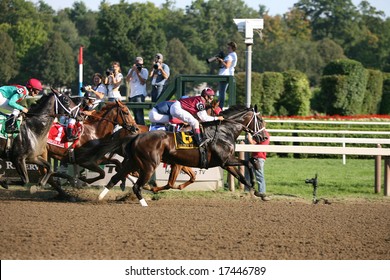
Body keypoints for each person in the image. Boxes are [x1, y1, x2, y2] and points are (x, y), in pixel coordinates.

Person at [247, 128, 271, 201]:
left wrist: (248, 135)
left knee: (259, 175)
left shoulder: (263, 134)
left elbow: (252, 142)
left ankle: (262, 192)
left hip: (258, 157)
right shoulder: (265, 134)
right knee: (256, 175)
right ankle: (259, 192)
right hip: (258, 157)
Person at [126, 57, 148, 125]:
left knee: (139, 114)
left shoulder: (144, 71)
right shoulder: (131, 70)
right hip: (132, 94)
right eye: (138, 64)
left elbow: (143, 82)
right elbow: (127, 79)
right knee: (135, 114)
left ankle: (142, 127)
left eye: (141, 64)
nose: (139, 66)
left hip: (140, 94)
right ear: (135, 64)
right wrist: (133, 70)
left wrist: (138, 73)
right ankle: (137, 128)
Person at [217, 41, 237, 109]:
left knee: (222, 92)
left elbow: (227, 66)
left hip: (225, 75)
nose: (227, 48)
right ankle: (220, 107)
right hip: (226, 74)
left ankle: (220, 107)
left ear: (231, 47)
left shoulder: (231, 55)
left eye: (228, 47)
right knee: (222, 92)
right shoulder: (232, 55)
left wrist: (221, 60)